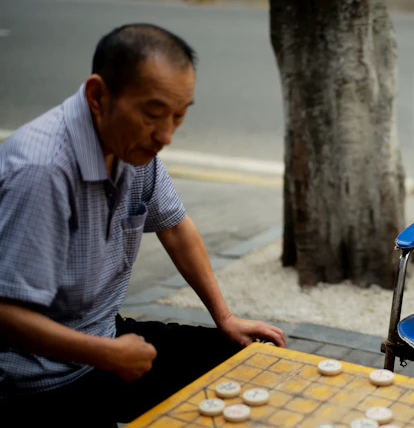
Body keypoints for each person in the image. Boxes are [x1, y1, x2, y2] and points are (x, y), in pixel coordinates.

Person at [0, 23, 286, 426]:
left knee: (246, 361)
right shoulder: (41, 171)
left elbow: (174, 227)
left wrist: (224, 317)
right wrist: (105, 355)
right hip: (38, 381)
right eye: (153, 114)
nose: (166, 135)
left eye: (179, 116)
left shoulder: (133, 149)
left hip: (105, 335)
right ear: (98, 96)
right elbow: (6, 315)